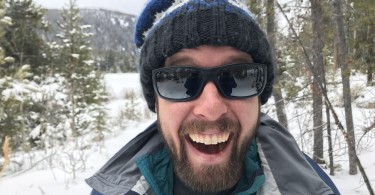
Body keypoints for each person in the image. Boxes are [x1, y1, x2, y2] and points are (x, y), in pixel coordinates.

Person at [86, 0, 340, 194]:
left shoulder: (313, 186)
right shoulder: (113, 189)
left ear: (259, 96)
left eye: (239, 76)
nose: (211, 108)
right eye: (180, 79)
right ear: (156, 101)